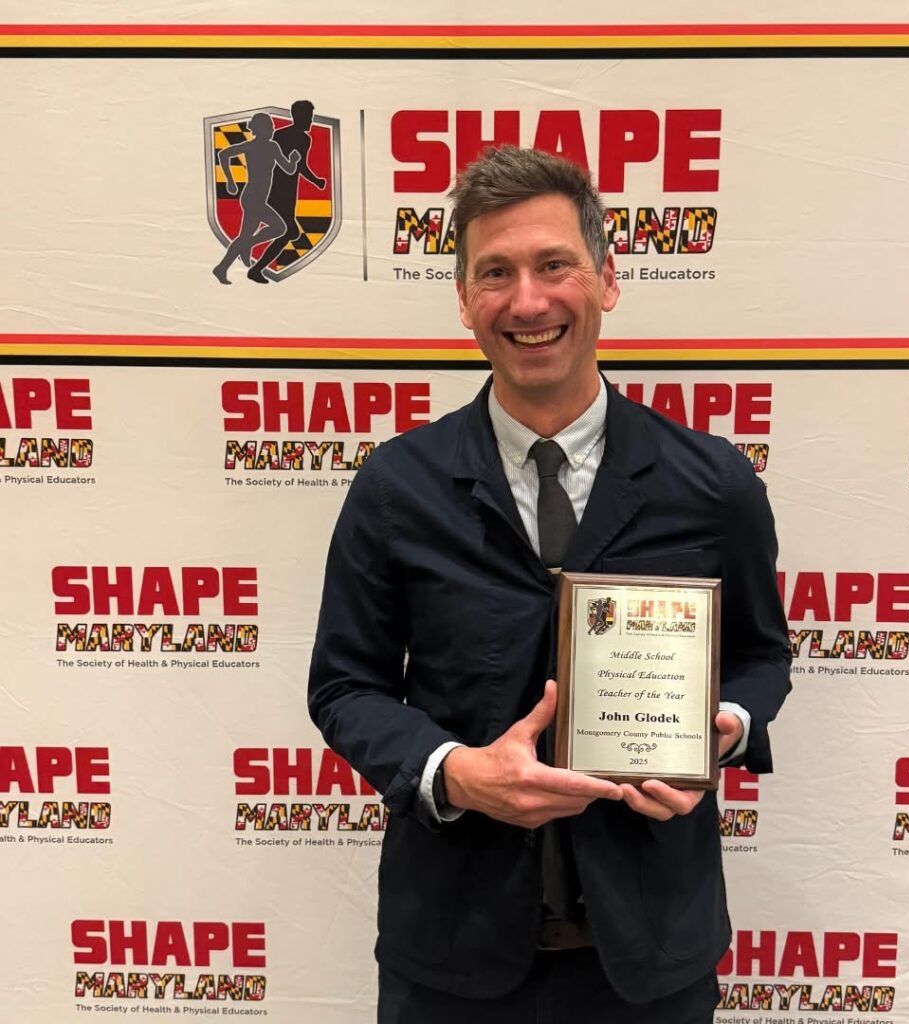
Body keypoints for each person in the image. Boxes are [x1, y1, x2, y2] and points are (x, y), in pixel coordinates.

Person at [308, 145, 791, 1023]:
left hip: (651, 960)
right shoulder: (397, 486)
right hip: (449, 959)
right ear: (464, 300)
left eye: (554, 265)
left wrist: (722, 729)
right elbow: (345, 686)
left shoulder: (712, 484)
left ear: (607, 279)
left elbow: (762, 659)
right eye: (495, 272)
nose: (527, 302)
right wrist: (454, 772)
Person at [212, 111, 300, 284]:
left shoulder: (261, 146)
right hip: (254, 198)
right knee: (279, 228)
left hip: (254, 197)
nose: (273, 129)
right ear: (261, 129)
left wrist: (231, 181)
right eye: (270, 127)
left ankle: (222, 267)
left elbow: (223, 154)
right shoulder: (267, 147)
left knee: (245, 236)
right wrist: (230, 180)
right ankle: (244, 248)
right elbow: (223, 154)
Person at [246, 99, 327, 284]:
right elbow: (274, 161)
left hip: (290, 192)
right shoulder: (281, 136)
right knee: (289, 232)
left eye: (311, 116)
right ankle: (254, 264)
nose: (311, 120)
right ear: (298, 116)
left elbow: (300, 165)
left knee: (289, 232)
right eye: (309, 116)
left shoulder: (304, 139)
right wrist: (316, 180)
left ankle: (250, 253)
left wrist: (316, 181)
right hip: (275, 190)